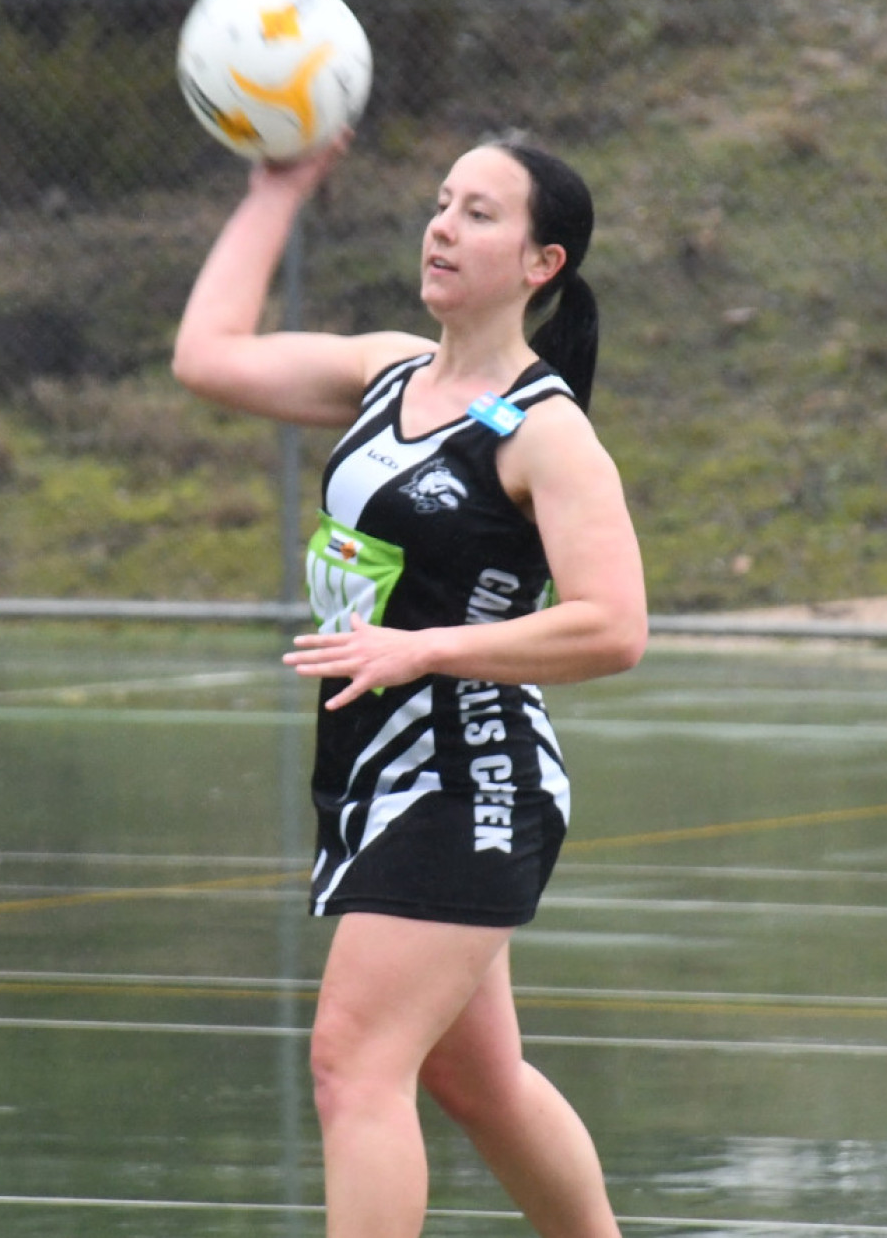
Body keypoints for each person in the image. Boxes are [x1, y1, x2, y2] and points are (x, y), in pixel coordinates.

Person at [173, 131, 647, 1238]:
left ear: (543, 263)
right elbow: (207, 356)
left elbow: (612, 627)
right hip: (375, 771)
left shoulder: (547, 434)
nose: (441, 225)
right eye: (442, 202)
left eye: (480, 214)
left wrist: (423, 648)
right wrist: (275, 191)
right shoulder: (388, 372)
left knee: (351, 1066)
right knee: (476, 1083)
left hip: (467, 776)